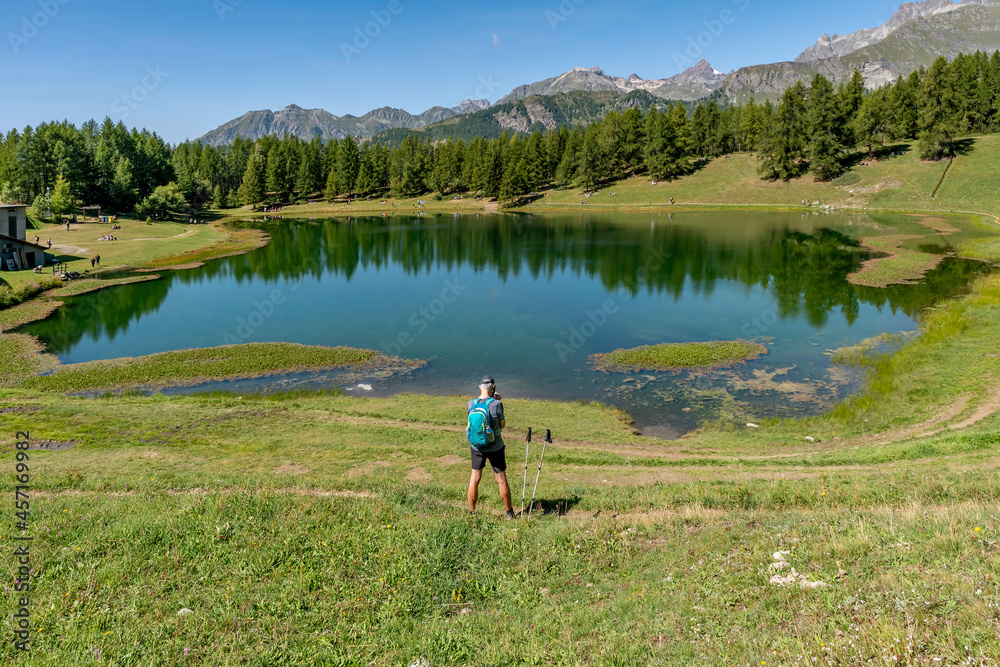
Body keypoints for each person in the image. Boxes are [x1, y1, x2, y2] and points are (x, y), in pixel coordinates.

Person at [467, 376, 514, 519]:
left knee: (475, 478)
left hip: (477, 447)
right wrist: (498, 401)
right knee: (501, 479)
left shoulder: (471, 403)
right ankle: (509, 513)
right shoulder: (496, 404)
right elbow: (502, 425)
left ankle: (472, 513)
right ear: (493, 388)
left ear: (479, 387)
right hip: (495, 447)